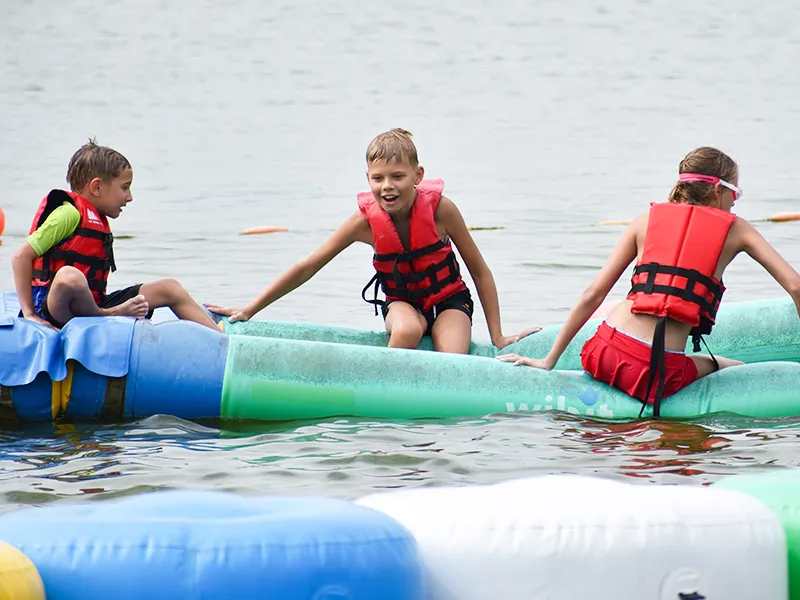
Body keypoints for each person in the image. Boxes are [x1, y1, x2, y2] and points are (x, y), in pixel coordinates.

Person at [498, 146, 800, 416]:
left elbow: (593, 293)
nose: (734, 203)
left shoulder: (645, 220)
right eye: (735, 193)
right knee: (733, 367)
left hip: (600, 353)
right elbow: (796, 287)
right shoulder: (737, 229)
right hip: (656, 374)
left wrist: (548, 360)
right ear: (716, 191)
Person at [206, 128, 538, 353]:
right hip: (402, 304)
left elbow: (479, 271)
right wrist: (249, 309)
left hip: (450, 302)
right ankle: (388, 398)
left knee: (452, 357)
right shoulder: (363, 222)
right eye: (378, 178)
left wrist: (497, 335)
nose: (387, 186)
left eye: (398, 177)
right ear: (368, 179)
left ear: (418, 176)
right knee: (407, 330)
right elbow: (309, 266)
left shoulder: (442, 211)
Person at [11, 140, 219, 331]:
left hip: (93, 305)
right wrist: (29, 314)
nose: (130, 197)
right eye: (124, 188)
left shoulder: (98, 219)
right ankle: (111, 314)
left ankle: (223, 339)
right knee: (69, 276)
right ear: (97, 187)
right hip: (55, 308)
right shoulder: (68, 214)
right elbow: (20, 257)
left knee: (169, 288)